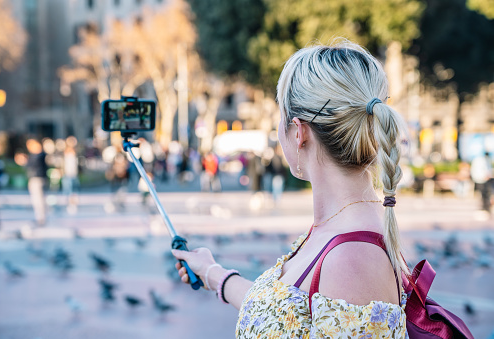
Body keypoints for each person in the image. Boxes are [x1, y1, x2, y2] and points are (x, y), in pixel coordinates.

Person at [173, 41, 409, 338]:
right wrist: (212, 274)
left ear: (298, 132)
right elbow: (283, 314)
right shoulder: (339, 230)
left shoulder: (352, 258)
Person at [25, 138, 48, 226]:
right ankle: (39, 217)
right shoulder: (34, 155)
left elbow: (33, 165)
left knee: (39, 199)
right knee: (35, 199)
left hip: (38, 179)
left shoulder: (40, 155)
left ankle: (41, 218)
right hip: (33, 178)